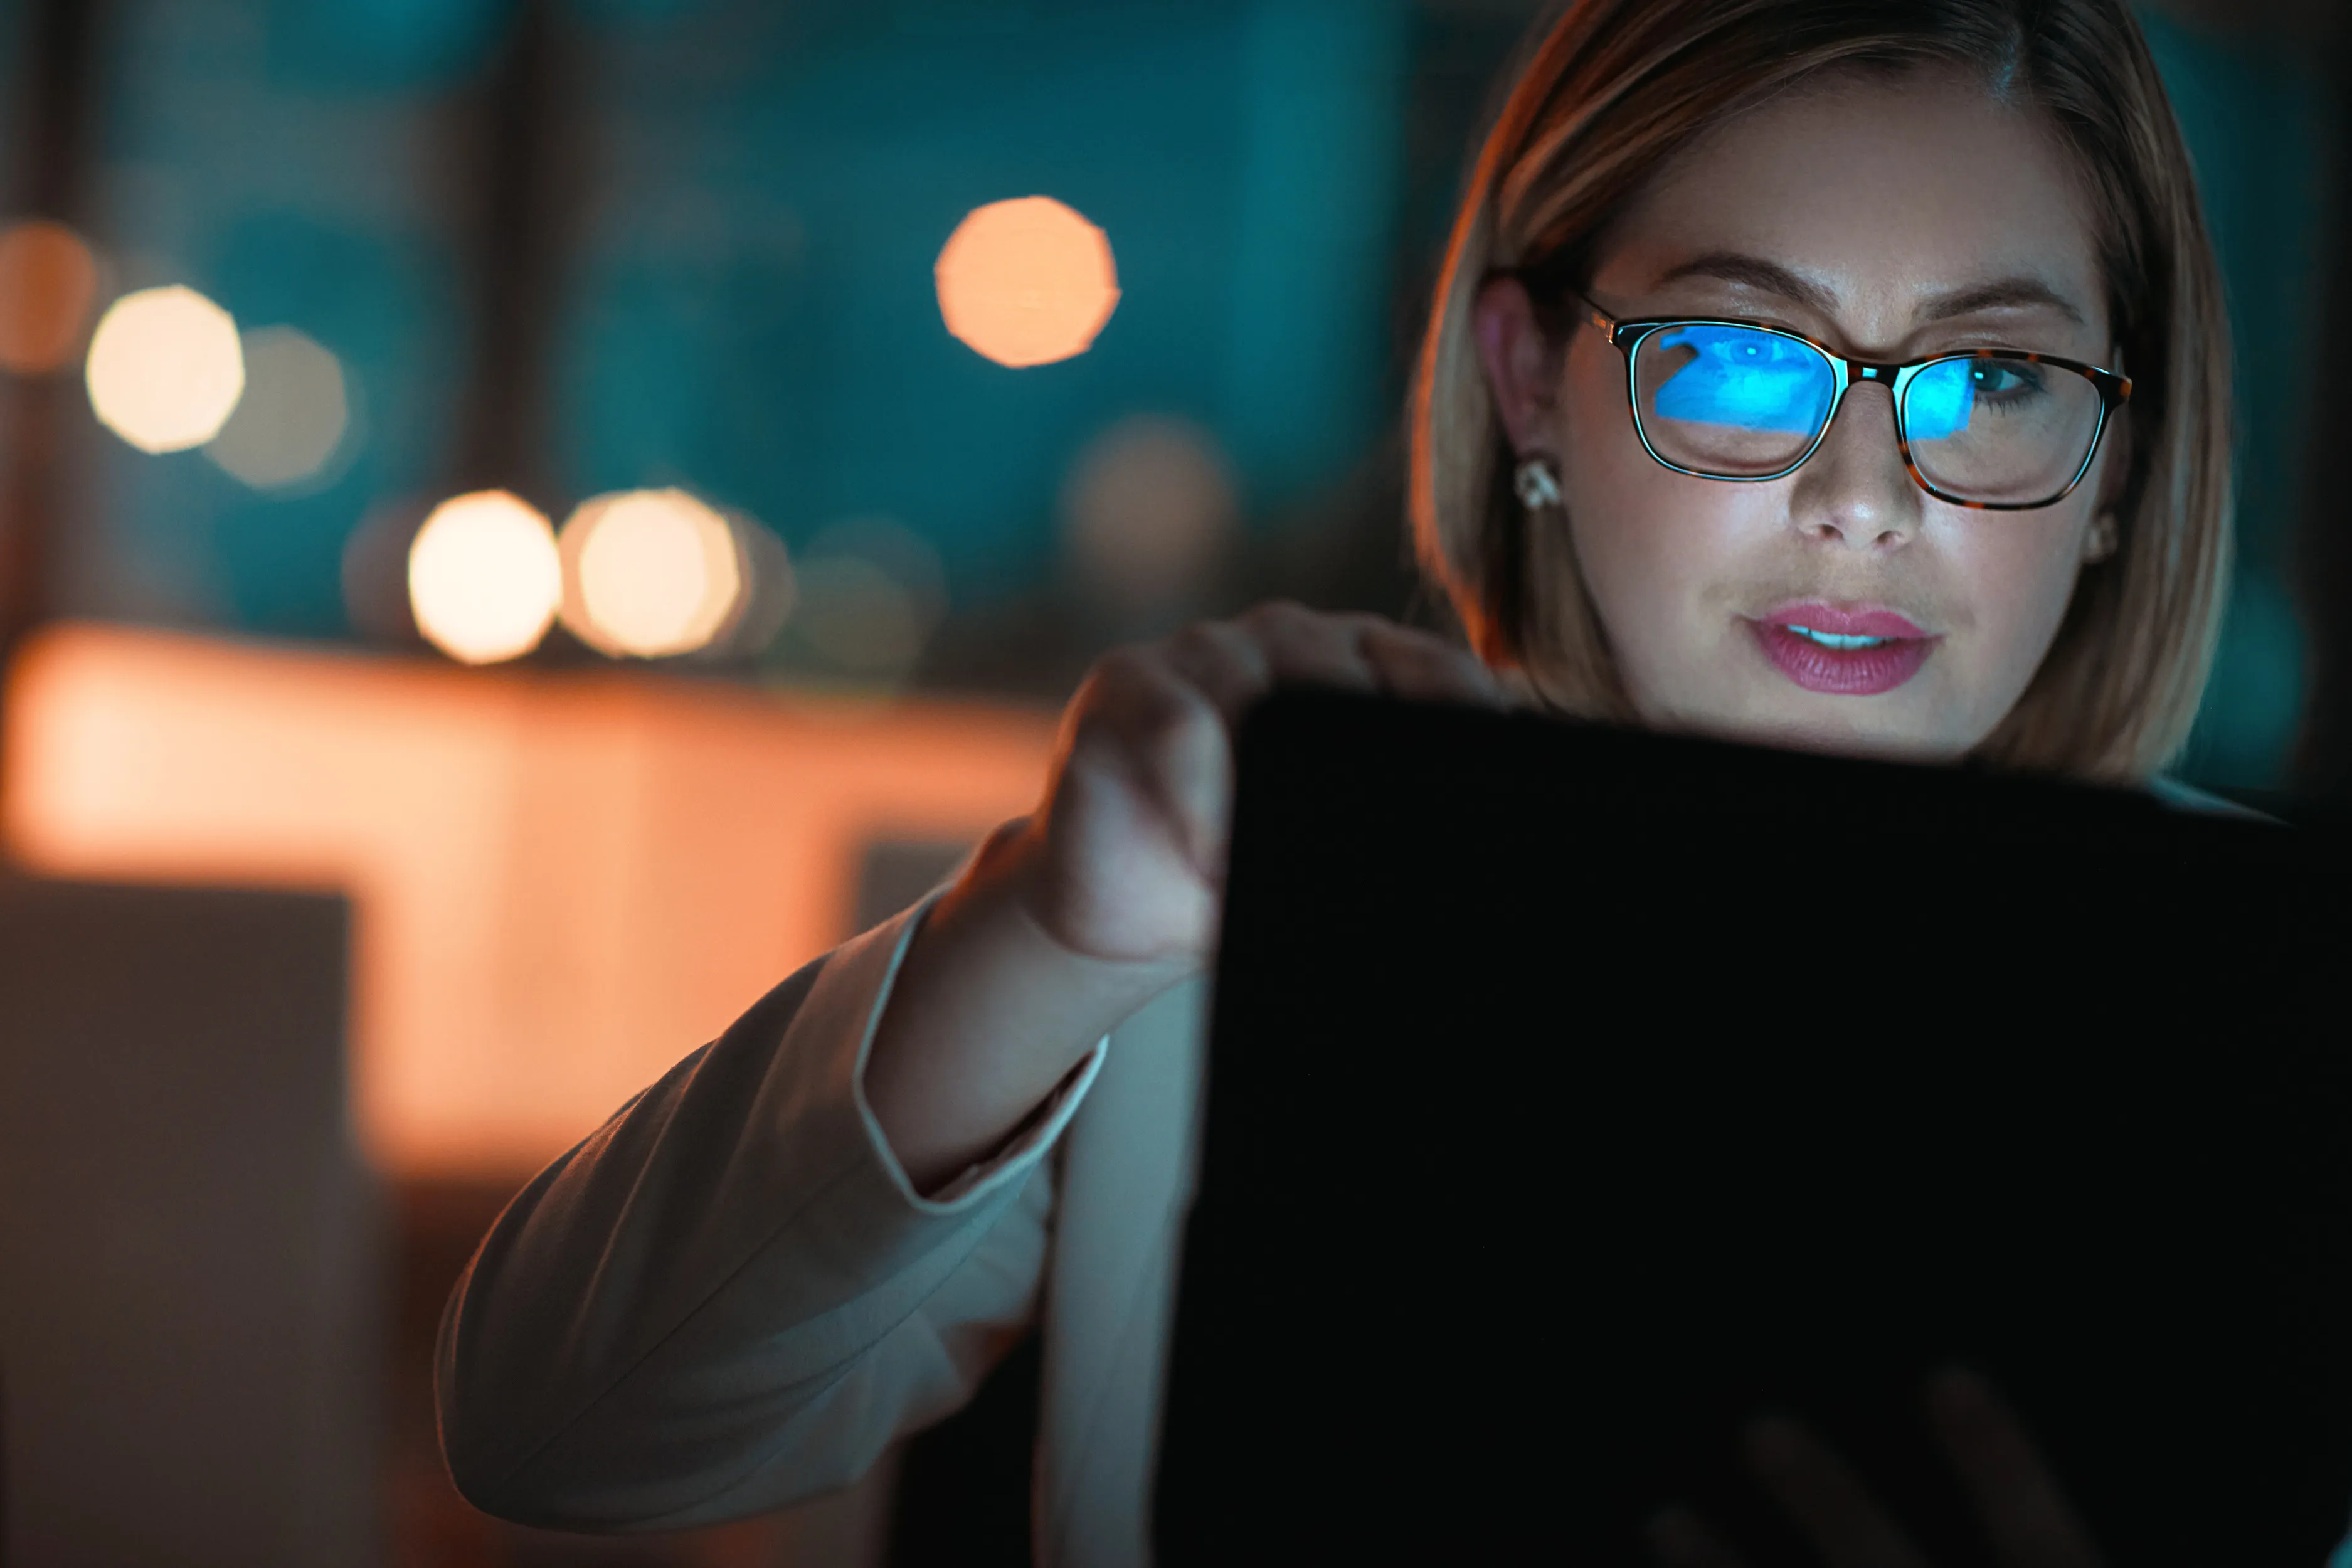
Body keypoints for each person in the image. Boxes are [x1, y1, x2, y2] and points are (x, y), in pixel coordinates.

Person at [435, 1, 2247, 1564]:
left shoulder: (2267, 1027)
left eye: (1990, 375)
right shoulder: (1263, 896)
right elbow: (554, 1429)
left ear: (2114, 462)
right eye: (1737, 356)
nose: (1862, 492)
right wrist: (1054, 932)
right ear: (1529, 387)